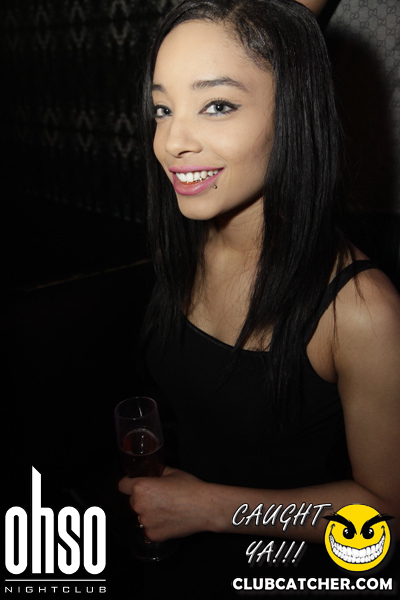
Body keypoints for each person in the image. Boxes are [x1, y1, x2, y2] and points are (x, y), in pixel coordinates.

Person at [118, 0, 400, 595]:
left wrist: (207, 508)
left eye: (217, 105)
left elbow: (386, 518)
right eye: (163, 108)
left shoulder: (360, 309)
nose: (171, 142)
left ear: (294, 112)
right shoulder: (189, 240)